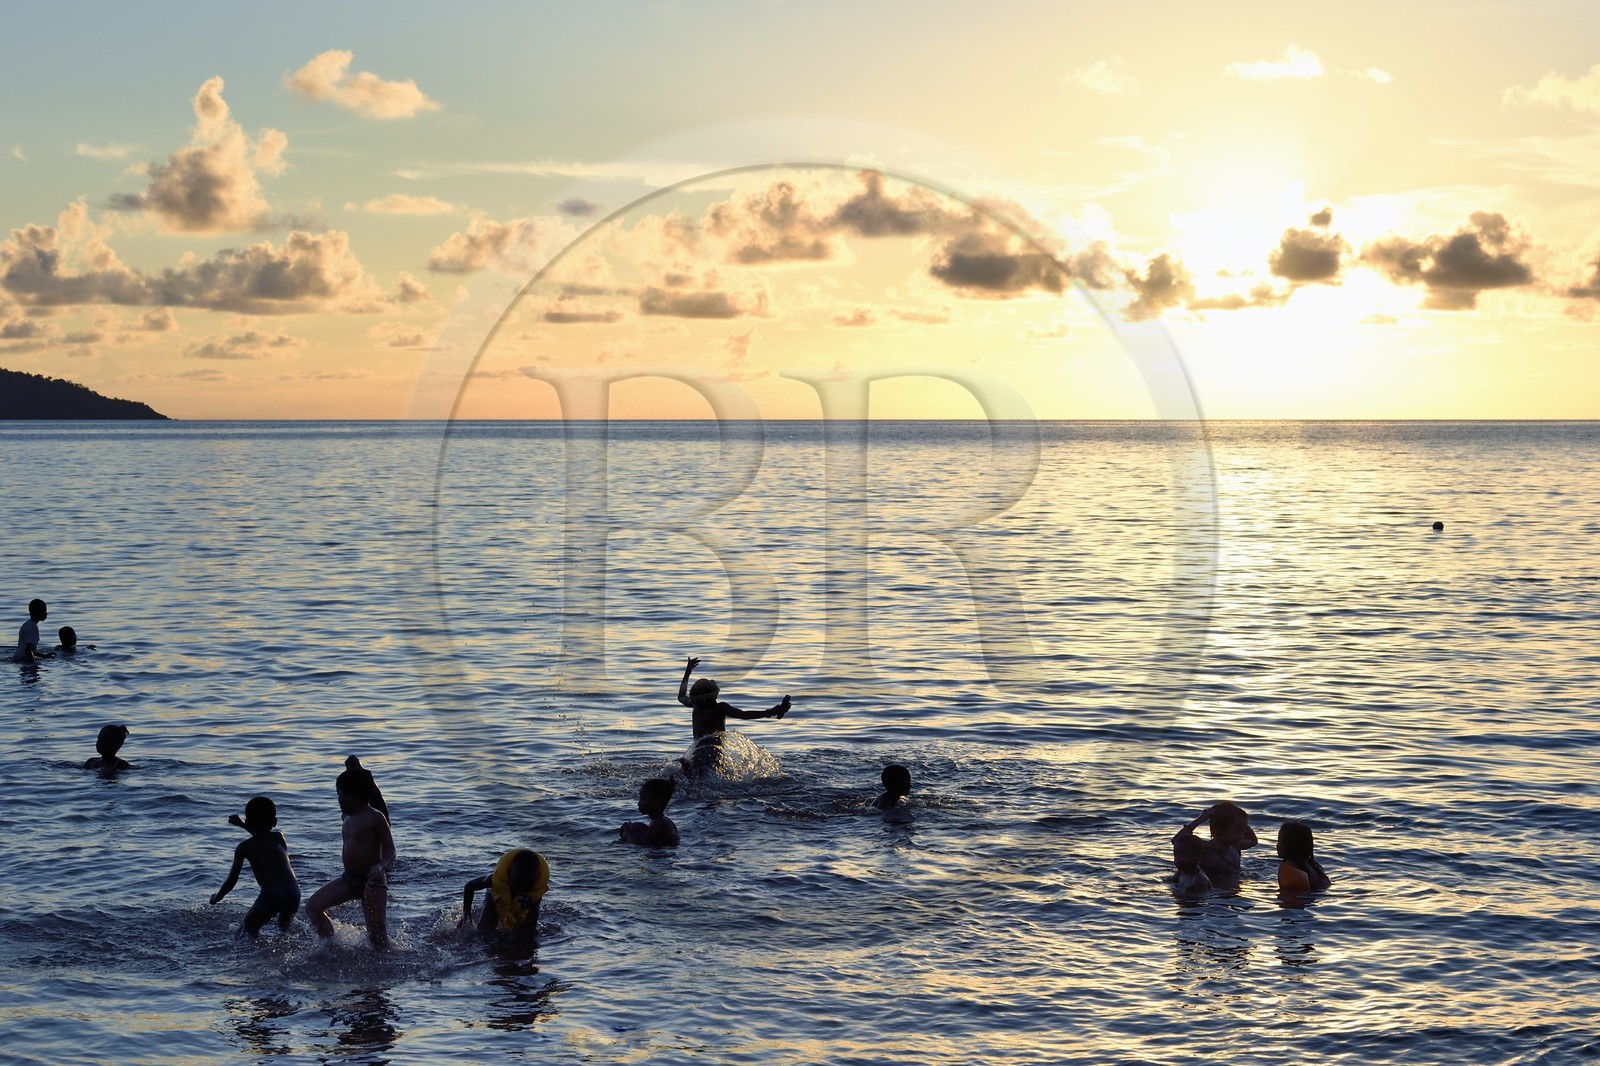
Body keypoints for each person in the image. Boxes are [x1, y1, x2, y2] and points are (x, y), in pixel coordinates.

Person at [305, 757, 396, 949]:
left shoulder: (375, 817)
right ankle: (330, 947)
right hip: (349, 879)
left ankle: (385, 966)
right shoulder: (346, 816)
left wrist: (380, 866)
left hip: (373, 882)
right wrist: (354, 772)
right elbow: (358, 783)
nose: (338, 800)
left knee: (377, 938)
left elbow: (390, 850)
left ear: (351, 797)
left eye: (339, 795)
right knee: (312, 907)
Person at [210, 797, 301, 938]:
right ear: (275, 822)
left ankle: (255, 957)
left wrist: (218, 896)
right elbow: (263, 837)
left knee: (247, 929)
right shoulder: (279, 837)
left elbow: (232, 880)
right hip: (293, 892)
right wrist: (242, 824)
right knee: (284, 929)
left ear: (248, 822)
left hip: (272, 894)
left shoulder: (244, 847)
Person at [678, 656, 791, 739]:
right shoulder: (720, 708)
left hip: (698, 747)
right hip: (715, 749)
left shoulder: (695, 705)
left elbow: (681, 696)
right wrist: (768, 712)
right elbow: (744, 715)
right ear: (714, 694)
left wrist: (687, 674)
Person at [461, 848, 550, 942]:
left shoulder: (535, 894)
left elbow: (530, 926)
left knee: (526, 936)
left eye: (527, 884)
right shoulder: (494, 881)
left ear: (537, 878)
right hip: (495, 898)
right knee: (484, 933)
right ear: (508, 872)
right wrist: (466, 916)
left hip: (522, 903)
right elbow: (469, 886)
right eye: (517, 882)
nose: (521, 889)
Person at [1172, 801, 1258, 885]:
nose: (1242, 836)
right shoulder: (1205, 850)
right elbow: (1177, 841)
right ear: (1220, 830)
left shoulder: (1235, 846)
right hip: (1216, 891)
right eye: (1238, 831)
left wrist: (1242, 822)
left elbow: (1253, 841)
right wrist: (1200, 820)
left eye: (1243, 831)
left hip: (1233, 890)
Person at [619, 777, 679, 847]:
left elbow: (639, 844)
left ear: (657, 802)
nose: (638, 803)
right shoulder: (658, 821)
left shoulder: (660, 822)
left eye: (643, 799)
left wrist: (626, 828)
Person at [1276, 820, 1331, 893]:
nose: (1277, 845)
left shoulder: (1291, 869)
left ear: (1290, 845)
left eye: (1279, 841)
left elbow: (1291, 898)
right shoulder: (1314, 866)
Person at [15, 599, 53, 663]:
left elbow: (30, 649)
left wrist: (43, 656)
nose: (46, 613)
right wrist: (33, 664)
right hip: (23, 661)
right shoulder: (33, 628)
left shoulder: (27, 624)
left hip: (18, 658)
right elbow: (28, 650)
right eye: (44, 611)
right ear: (37, 612)